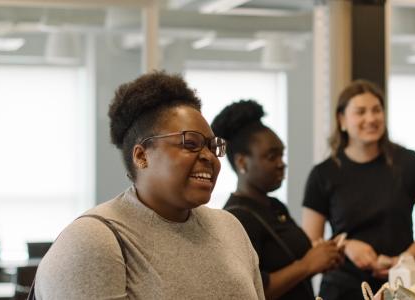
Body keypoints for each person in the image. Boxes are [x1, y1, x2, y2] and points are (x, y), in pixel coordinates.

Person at [33, 72, 265, 299]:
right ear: (141, 156)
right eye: (191, 143)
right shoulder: (92, 241)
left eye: (213, 146)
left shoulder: (230, 228)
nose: (209, 157)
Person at [301, 80, 415, 299]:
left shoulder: (410, 163)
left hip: (400, 286)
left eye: (377, 110)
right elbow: (312, 242)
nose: (371, 118)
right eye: (360, 112)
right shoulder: (323, 174)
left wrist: (403, 260)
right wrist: (346, 245)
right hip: (341, 288)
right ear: (342, 120)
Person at [211, 100, 343, 300]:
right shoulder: (236, 218)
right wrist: (307, 265)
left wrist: (325, 256)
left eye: (282, 155)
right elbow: (251, 289)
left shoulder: (275, 206)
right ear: (242, 162)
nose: (282, 164)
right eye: (272, 157)